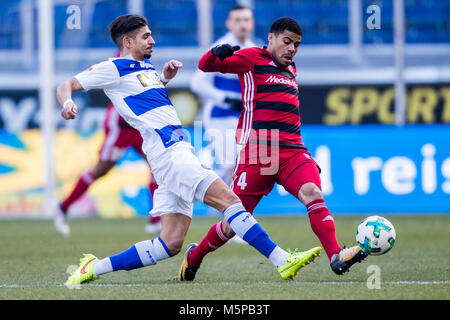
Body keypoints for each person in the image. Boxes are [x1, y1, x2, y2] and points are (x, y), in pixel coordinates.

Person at [60, 14, 321, 286]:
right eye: (146, 36)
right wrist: (67, 102)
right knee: (231, 202)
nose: (153, 40)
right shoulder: (112, 68)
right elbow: (66, 84)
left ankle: (93, 267)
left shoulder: (145, 68)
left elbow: (141, 95)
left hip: (173, 153)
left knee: (170, 244)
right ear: (127, 41)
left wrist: (164, 78)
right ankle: (282, 259)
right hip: (170, 154)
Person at [178, 17, 368, 281]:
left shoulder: (292, 69)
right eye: (287, 41)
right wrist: (215, 52)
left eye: (297, 45)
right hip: (258, 151)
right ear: (271, 38)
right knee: (235, 221)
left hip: (293, 150)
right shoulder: (251, 58)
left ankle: (336, 256)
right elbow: (205, 65)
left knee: (313, 192)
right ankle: (194, 256)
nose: (291, 49)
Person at [52, 101, 161, 237]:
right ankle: (63, 208)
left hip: (140, 123)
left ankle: (156, 219)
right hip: (120, 124)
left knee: (157, 165)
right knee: (100, 170)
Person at [190, 5, 255, 185]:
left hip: (242, 116)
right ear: (229, 23)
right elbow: (197, 83)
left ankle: (230, 207)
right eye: (237, 20)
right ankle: (229, 208)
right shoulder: (221, 49)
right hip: (220, 115)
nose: (242, 24)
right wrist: (225, 99)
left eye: (246, 19)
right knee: (231, 167)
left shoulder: (252, 48)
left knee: (243, 167)